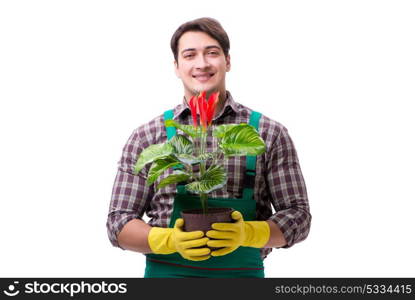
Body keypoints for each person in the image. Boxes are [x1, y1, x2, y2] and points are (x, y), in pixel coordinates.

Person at [106, 17, 311, 278]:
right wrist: (167, 240)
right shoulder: (147, 137)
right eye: (190, 55)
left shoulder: (267, 133)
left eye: (212, 53)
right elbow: (117, 224)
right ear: (177, 66)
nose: (201, 64)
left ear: (228, 61)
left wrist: (249, 233)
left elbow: (299, 217)